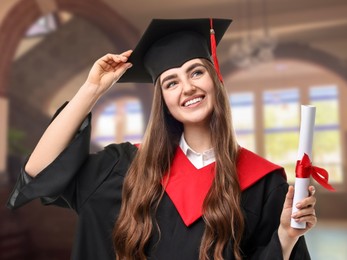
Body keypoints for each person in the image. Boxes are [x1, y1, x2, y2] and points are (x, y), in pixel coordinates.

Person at [7, 18, 317, 260]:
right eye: (171, 82)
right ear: (163, 100)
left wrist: (287, 236)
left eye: (196, 72)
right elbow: (40, 171)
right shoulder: (124, 167)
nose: (187, 88)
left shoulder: (263, 182)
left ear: (215, 78)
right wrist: (92, 89)